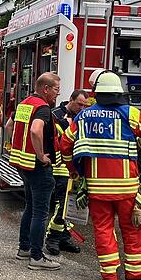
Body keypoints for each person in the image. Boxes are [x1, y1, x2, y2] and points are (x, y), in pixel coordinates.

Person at [60, 70, 141, 280]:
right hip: (127, 189)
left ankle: (109, 275)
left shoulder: (84, 116)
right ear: (118, 92)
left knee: (103, 230)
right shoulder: (130, 114)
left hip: (96, 188)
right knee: (133, 229)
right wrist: (137, 143)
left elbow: (65, 144)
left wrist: (74, 169)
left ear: (97, 93)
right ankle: (136, 274)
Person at [8, 72, 61, 271]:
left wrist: (16, 147)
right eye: (56, 90)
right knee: (41, 212)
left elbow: (9, 126)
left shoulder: (24, 104)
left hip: (23, 165)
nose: (57, 94)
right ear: (45, 89)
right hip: (38, 167)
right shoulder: (43, 109)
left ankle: (24, 249)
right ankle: (37, 257)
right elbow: (35, 131)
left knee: (30, 208)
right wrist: (41, 155)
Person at [45, 89, 89, 256]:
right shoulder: (56, 115)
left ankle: (63, 237)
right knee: (62, 204)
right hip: (59, 167)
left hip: (73, 168)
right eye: (79, 104)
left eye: (85, 105)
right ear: (70, 100)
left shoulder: (82, 117)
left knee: (71, 204)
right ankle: (53, 238)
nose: (82, 108)